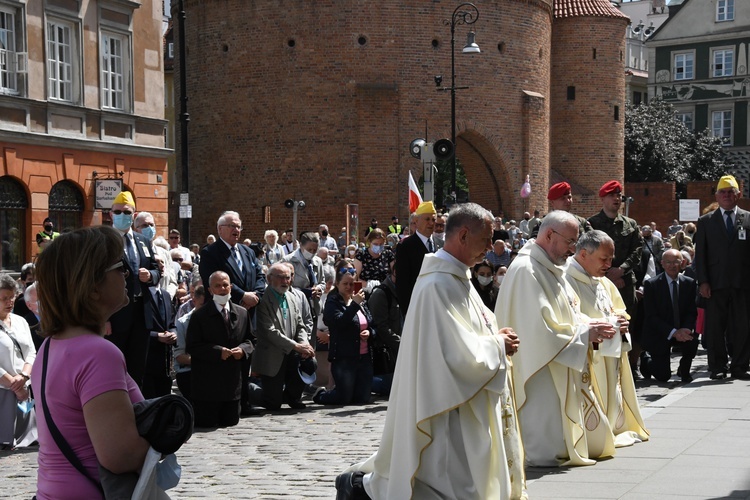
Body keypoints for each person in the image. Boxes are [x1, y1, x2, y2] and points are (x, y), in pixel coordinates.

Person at [337, 203, 525, 499]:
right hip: (444, 401)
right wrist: (498, 344)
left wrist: (495, 335)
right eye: (486, 239)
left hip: (460, 398)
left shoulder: (457, 276)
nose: (490, 248)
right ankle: (361, 490)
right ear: (463, 235)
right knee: (443, 476)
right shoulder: (438, 284)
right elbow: (456, 352)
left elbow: (468, 332)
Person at [32, 226, 149, 498]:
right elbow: (121, 456)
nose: (127, 274)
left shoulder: (51, 345)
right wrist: (165, 438)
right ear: (93, 287)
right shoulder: (98, 352)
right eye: (119, 267)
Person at [496, 210, 618, 467]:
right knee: (545, 431)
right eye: (570, 242)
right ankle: (543, 454)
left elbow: (567, 313)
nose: (572, 250)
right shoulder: (526, 270)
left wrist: (587, 323)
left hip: (557, 359)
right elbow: (539, 329)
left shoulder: (550, 266)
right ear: (550, 234)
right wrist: (585, 333)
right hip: (539, 365)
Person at [563, 230, 649, 447]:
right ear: (583, 254)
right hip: (588, 355)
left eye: (611, 258)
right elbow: (567, 318)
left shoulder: (604, 282)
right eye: (604, 258)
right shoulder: (565, 280)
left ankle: (611, 427)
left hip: (610, 354)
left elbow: (620, 310)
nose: (609, 264)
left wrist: (621, 322)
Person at [199, 210, 266, 413]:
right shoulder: (211, 253)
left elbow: (259, 275)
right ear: (220, 229)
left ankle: (244, 402)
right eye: (232, 226)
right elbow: (212, 280)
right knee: (227, 356)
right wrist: (241, 296)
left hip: (248, 312)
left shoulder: (247, 251)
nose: (236, 230)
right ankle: (227, 403)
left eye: (239, 226)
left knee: (245, 354)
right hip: (225, 312)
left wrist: (255, 296)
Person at [694, 175, 750, 380]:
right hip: (715, 284)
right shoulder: (706, 221)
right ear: (717, 196)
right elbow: (700, 255)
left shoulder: (748, 218)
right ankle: (717, 366)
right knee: (715, 328)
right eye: (723, 192)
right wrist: (703, 281)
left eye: (731, 192)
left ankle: (740, 365)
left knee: (742, 327)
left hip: (742, 283)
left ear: (738, 195)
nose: (727, 196)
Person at [106, 191, 161, 387]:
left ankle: (136, 407)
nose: (122, 215)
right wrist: (103, 318)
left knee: (138, 366)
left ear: (134, 215)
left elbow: (156, 270)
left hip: (141, 312)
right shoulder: (104, 240)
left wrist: (151, 275)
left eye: (127, 212)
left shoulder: (143, 241)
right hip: (116, 314)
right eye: (118, 212)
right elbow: (95, 281)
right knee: (113, 366)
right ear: (111, 214)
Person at [186, 271, 254, 428]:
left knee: (230, 422)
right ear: (210, 290)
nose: (222, 289)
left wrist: (243, 350)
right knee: (207, 423)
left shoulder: (242, 313)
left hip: (232, 386)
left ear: (230, 287)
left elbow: (251, 340)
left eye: (225, 285)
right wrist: (217, 352)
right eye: (217, 286)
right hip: (207, 387)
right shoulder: (199, 316)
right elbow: (192, 345)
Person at [588, 181, 642, 373]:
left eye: (619, 196)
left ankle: (629, 366)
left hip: (625, 283)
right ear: (602, 198)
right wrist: (608, 276)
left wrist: (622, 270)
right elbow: (588, 254)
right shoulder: (592, 224)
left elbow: (637, 251)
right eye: (612, 195)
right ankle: (603, 367)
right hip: (600, 283)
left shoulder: (630, 224)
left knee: (627, 324)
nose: (617, 199)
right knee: (603, 322)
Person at [250, 263, 314, 410]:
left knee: (310, 361)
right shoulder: (263, 300)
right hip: (272, 354)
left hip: (292, 351)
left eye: (287, 278)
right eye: (280, 278)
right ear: (269, 279)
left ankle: (292, 397)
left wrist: (303, 344)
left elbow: (300, 325)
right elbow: (269, 331)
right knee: (272, 404)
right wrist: (296, 346)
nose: (285, 282)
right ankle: (249, 390)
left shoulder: (291, 297)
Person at [314, 262, 374, 406]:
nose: (349, 287)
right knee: (344, 399)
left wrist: (370, 332)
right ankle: (321, 395)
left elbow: (371, 322)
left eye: (352, 284)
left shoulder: (361, 300)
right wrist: (354, 305)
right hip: (344, 357)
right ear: (337, 284)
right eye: (345, 284)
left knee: (362, 399)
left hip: (363, 356)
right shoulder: (332, 302)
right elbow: (339, 323)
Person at [641, 249, 699, 383]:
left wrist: (686, 328)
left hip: (681, 329)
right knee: (663, 376)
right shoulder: (652, 284)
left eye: (676, 262)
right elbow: (651, 316)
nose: (672, 266)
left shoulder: (689, 283)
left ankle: (684, 370)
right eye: (668, 262)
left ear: (683, 263)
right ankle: (646, 360)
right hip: (661, 332)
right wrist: (673, 332)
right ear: (662, 263)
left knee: (693, 340)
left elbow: (691, 311)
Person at [0, 274, 36, 450]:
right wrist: (13, 384)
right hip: (3, 391)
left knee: (28, 440)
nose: (10, 302)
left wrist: (24, 376)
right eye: (4, 298)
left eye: (12, 296)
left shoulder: (20, 321)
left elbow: (31, 352)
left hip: (24, 388)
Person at [395, 201, 436, 316]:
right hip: (417, 306)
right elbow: (402, 283)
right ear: (416, 222)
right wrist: (408, 312)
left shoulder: (441, 244)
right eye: (427, 219)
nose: (431, 223)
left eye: (433, 220)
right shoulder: (406, 246)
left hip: (437, 305)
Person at [367, 260, 401, 396]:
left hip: (401, 352)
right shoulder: (381, 294)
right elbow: (381, 327)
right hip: (389, 355)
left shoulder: (405, 291)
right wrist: (402, 343)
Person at [174, 284, 205, 402]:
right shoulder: (183, 323)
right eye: (202, 305)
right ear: (194, 301)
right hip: (189, 371)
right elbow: (180, 357)